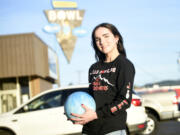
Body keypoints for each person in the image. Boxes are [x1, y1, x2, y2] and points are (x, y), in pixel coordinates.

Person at [71, 23, 135, 135]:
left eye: (106, 36)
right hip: (89, 129)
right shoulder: (93, 68)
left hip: (112, 129)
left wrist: (95, 115)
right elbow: (91, 98)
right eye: (97, 39)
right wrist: (76, 112)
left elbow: (124, 101)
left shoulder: (124, 65)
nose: (102, 42)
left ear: (116, 38)